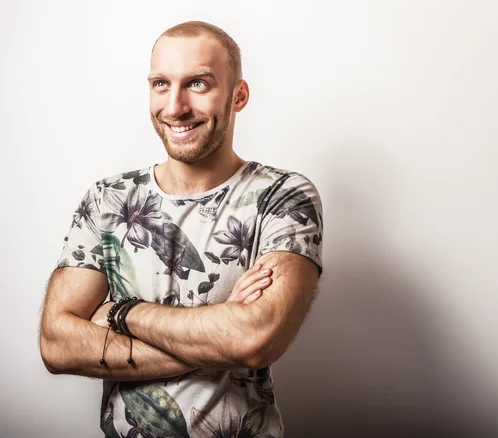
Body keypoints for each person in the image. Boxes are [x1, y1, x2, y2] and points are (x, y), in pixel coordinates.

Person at [39, 21, 323, 438]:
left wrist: (122, 313)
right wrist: (218, 333)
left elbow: (255, 338)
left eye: (198, 83)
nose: (174, 106)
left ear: (238, 95)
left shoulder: (283, 197)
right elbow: (56, 344)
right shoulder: (108, 199)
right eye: (160, 84)